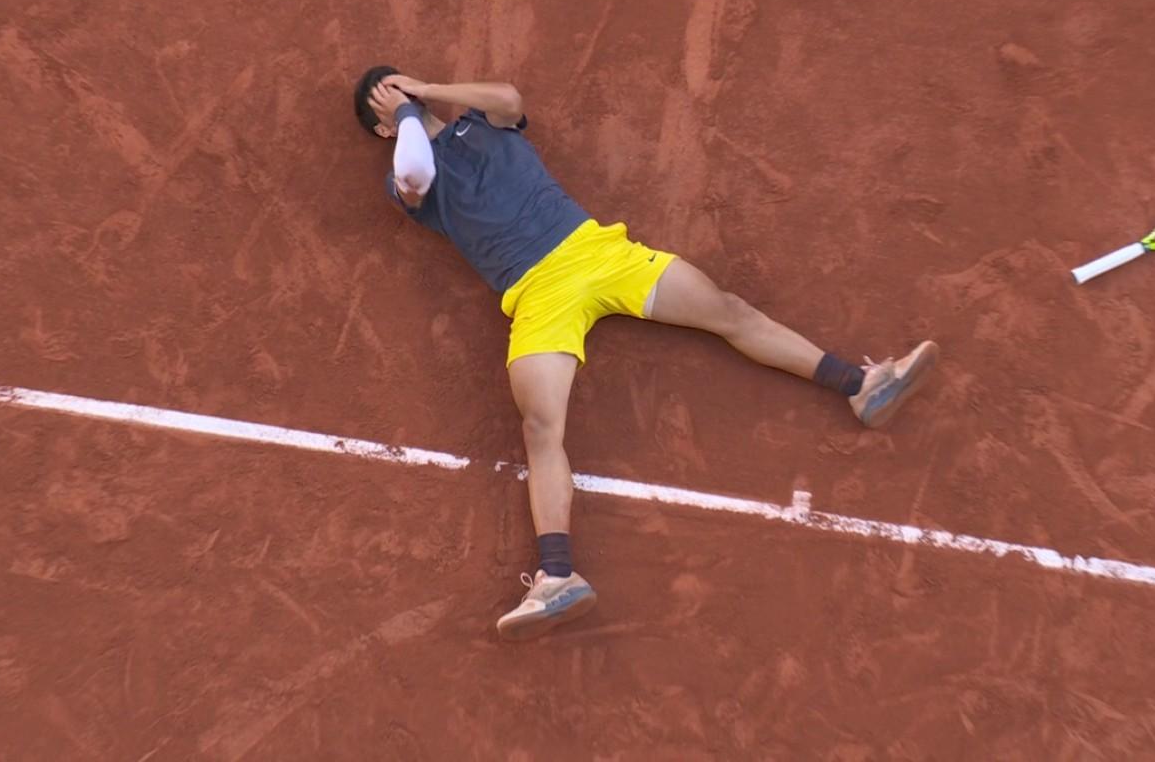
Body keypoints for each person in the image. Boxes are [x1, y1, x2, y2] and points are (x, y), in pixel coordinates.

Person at [353, 66, 939, 640]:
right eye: (386, 96)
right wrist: (403, 114)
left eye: (399, 80)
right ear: (382, 129)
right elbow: (413, 170)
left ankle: (862, 386)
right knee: (540, 427)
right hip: (536, 292)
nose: (400, 92)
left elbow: (510, 96)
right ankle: (557, 577)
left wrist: (424, 91)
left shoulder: (480, 120)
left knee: (728, 309)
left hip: (598, 251)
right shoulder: (407, 177)